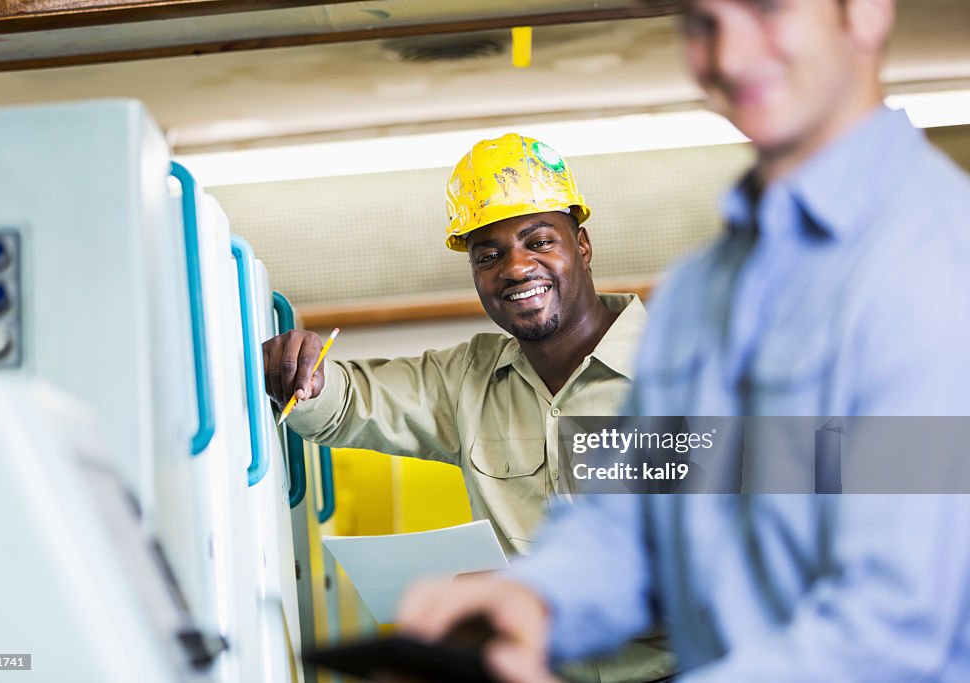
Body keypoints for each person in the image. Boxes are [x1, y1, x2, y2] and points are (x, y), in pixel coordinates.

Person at [396, 1, 970, 681]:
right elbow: (639, 510)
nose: (727, 54)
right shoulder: (703, 288)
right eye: (701, 22)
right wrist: (534, 600)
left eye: (766, 8)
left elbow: (896, 624)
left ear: (867, 14)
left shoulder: (936, 262)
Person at [263, 133, 673, 682]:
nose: (515, 267)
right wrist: (302, 375)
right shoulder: (466, 381)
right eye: (489, 255)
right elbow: (350, 404)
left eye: (539, 241)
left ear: (583, 246)